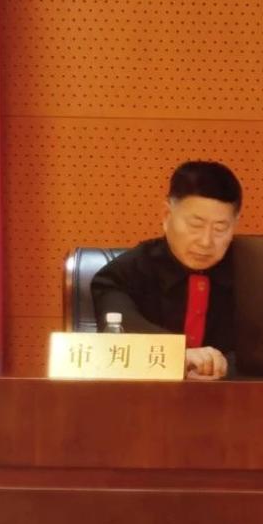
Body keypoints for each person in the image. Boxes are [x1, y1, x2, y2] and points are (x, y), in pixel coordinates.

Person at [91, 160, 241, 381]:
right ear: (166, 215)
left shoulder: (255, 276)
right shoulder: (121, 275)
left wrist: (226, 366)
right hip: (146, 397)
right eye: (196, 225)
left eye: (220, 228)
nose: (206, 241)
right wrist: (177, 355)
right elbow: (120, 333)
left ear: (235, 225)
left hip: (233, 399)